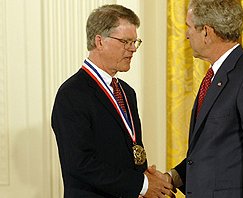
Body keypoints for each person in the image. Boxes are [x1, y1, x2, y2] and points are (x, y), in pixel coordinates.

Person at [152, 0, 243, 197]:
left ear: (206, 32)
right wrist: (172, 178)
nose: (187, 34)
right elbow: (214, 152)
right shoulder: (217, 76)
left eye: (189, 26)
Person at [51, 4, 173, 198]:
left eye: (135, 42)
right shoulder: (72, 94)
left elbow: (131, 149)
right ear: (99, 41)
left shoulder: (126, 92)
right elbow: (80, 163)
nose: (133, 49)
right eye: (126, 42)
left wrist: (145, 176)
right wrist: (141, 184)